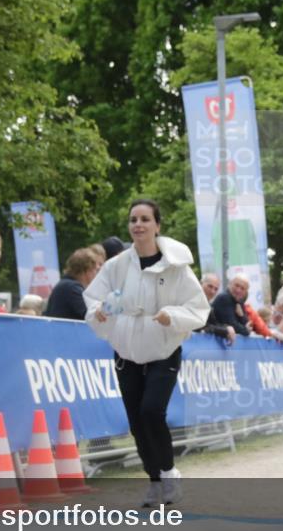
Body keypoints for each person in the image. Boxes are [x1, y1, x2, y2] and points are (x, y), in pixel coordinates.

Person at [85, 199, 209, 507]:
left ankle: (168, 473)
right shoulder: (116, 267)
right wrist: (99, 312)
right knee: (136, 422)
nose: (138, 224)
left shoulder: (177, 267)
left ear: (157, 225)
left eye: (144, 219)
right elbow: (93, 299)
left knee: (152, 412)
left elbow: (197, 308)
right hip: (126, 351)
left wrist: (172, 316)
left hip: (163, 349)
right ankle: (154, 481)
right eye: (133, 219)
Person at [44, 248, 100, 320]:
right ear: (87, 270)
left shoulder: (65, 285)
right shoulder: (72, 288)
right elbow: (92, 317)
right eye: (96, 270)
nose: (97, 274)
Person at [197, 272, 236, 344]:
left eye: (216, 289)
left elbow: (214, 324)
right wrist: (225, 330)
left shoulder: (208, 306)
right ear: (201, 283)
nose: (212, 291)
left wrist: (227, 327)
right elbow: (200, 327)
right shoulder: (192, 301)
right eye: (210, 286)